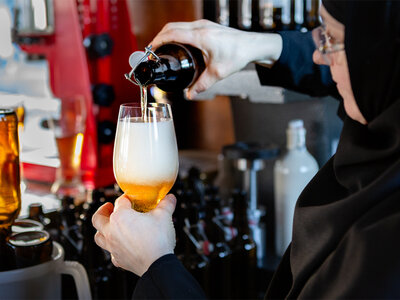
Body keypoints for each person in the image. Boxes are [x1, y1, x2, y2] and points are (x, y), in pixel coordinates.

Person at [92, 0, 400, 298]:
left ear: (380, 56)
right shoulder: (381, 132)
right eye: (321, 36)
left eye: (331, 39)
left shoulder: (384, 243)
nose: (319, 55)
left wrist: (155, 266)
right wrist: (254, 45)